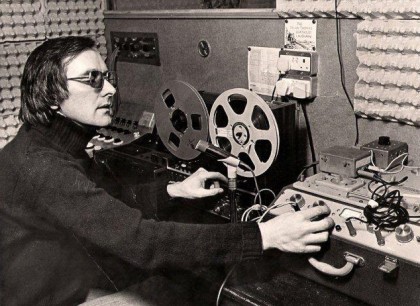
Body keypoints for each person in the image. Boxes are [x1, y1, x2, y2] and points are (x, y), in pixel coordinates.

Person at [0, 36, 334, 306]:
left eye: (107, 77)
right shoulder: (42, 165)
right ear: (51, 95)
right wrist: (265, 235)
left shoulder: (51, 145)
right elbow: (141, 241)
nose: (111, 90)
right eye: (93, 79)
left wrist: (174, 190)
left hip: (59, 285)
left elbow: (109, 201)